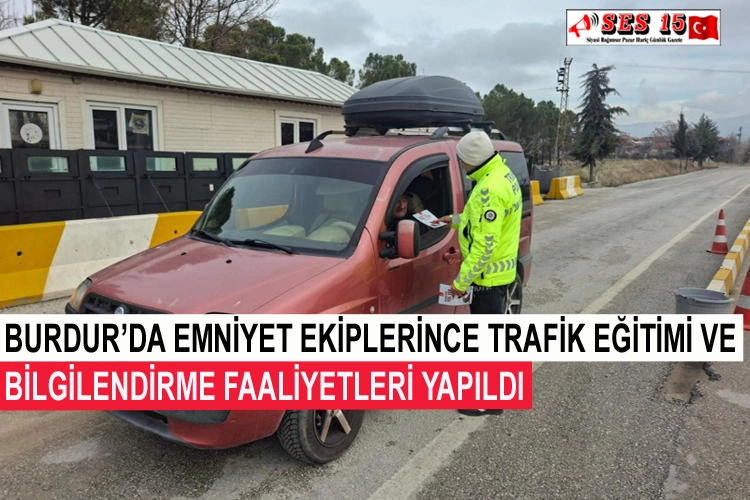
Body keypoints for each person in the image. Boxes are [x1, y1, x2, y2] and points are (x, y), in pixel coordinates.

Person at [437, 130, 522, 417]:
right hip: (501, 274)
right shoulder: (501, 174)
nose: (460, 165)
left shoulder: (489, 190)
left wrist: (461, 282)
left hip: (488, 278)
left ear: (473, 159)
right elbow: (479, 221)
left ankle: (487, 401)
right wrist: (454, 220)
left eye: (461, 160)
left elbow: (485, 246)